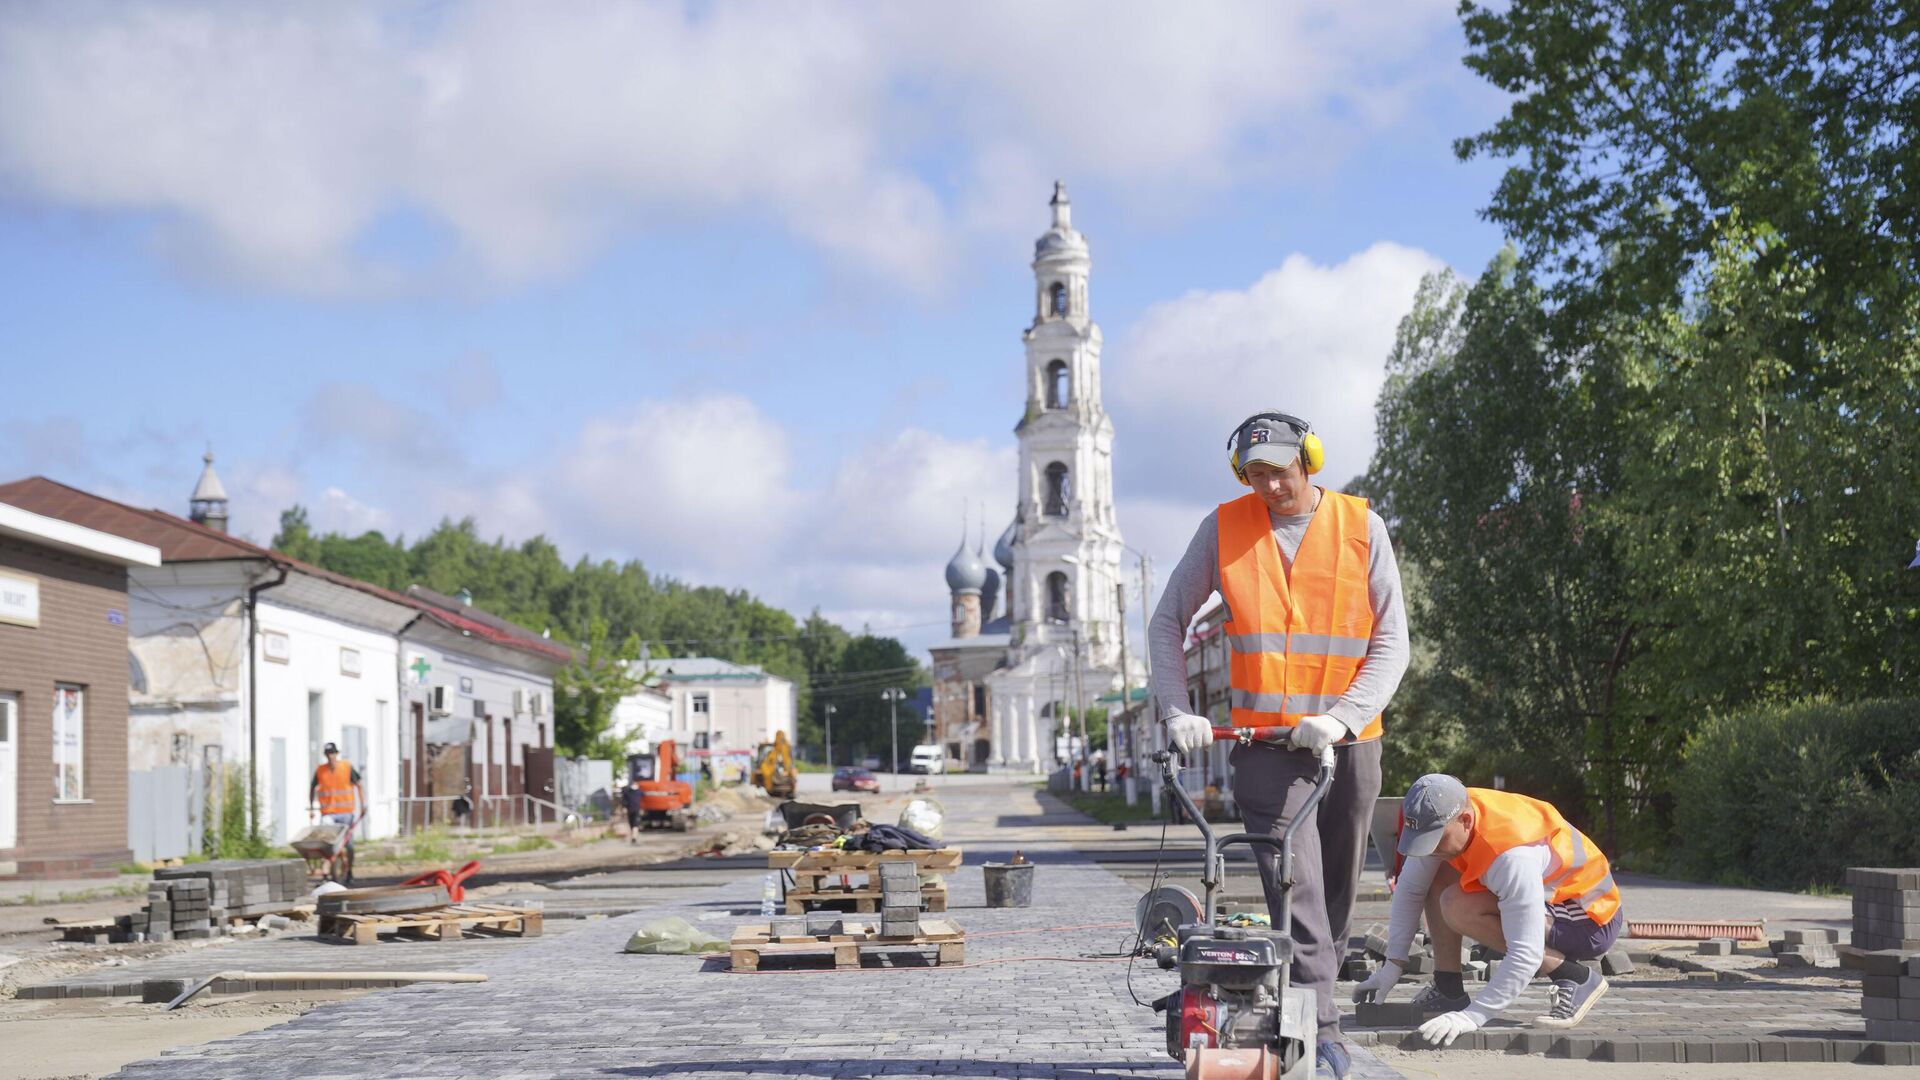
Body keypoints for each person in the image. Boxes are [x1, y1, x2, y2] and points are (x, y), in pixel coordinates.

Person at [1150, 410, 1409, 1080]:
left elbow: (1392, 643)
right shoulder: (1224, 529)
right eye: (1254, 473)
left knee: (1338, 896)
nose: (1268, 486)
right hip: (1265, 749)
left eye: (1279, 471)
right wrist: (1179, 709)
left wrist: (1344, 718)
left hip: (1349, 747)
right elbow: (1167, 624)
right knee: (1297, 889)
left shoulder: (1361, 527)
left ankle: (1317, 1003)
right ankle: (1325, 1034)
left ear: (1309, 460)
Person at [1353, 774, 1624, 1043]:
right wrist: (1393, 965)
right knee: (1436, 870)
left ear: (1466, 821)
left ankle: (1574, 977)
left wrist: (1473, 1016)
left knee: (1458, 906)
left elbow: (1525, 953)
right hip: (1548, 903)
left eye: (1437, 838)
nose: (1431, 847)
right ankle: (1447, 987)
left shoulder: (1512, 855)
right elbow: (1410, 889)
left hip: (1587, 918)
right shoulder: (1445, 810)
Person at [308, 741, 367, 884]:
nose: (331, 756)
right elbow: (312, 788)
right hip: (328, 813)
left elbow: (358, 785)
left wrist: (363, 804)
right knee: (326, 843)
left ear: (336, 754)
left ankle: (349, 871)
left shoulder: (346, 767)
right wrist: (311, 807)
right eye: (328, 754)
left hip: (346, 814)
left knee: (349, 846)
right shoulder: (321, 770)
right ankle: (327, 870)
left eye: (333, 753)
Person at [623, 779, 644, 843]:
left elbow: (623, 801)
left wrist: (624, 808)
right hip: (636, 810)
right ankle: (634, 836)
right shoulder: (639, 791)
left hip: (630, 810)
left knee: (632, 824)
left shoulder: (627, 791)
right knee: (635, 824)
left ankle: (633, 836)